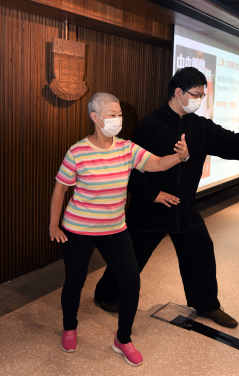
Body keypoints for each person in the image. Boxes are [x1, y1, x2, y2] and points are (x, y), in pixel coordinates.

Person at [94, 68, 239, 328]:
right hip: (150, 208)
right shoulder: (150, 125)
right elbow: (129, 167)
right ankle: (107, 294)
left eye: (202, 95)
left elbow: (229, 143)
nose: (200, 99)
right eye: (196, 94)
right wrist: (153, 194)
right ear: (178, 92)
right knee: (132, 257)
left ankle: (207, 305)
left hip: (183, 207)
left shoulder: (200, 125)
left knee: (201, 252)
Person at [49, 92, 189, 367]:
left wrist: (180, 157)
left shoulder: (127, 148)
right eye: (112, 115)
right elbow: (60, 190)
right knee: (74, 283)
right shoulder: (77, 151)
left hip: (115, 228)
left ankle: (122, 339)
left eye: (119, 114)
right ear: (95, 117)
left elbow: (158, 163)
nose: (118, 119)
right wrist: (54, 225)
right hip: (78, 229)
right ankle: (69, 326)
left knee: (131, 282)